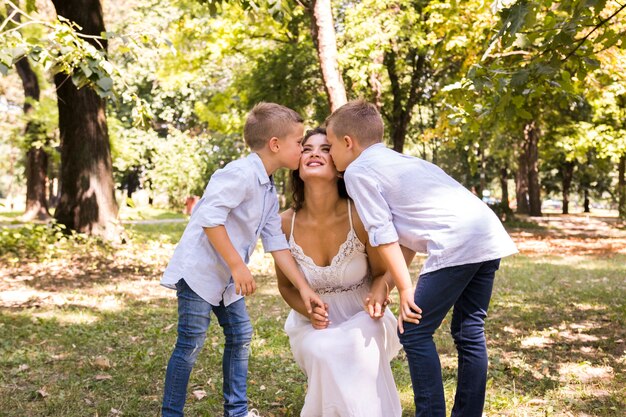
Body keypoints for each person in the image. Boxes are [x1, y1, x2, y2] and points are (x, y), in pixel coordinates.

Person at [324, 100, 518, 417]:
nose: (330, 154)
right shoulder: (404, 163)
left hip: (457, 242)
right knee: (469, 330)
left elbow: (384, 234)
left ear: (348, 143)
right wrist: (388, 283)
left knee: (413, 330)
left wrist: (406, 288)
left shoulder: (358, 170)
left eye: (330, 146)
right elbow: (408, 238)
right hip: (486, 233)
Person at [160, 103, 324, 417]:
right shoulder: (240, 174)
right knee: (190, 344)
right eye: (299, 142)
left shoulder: (268, 190)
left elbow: (277, 243)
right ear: (275, 145)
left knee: (240, 334)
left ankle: (236, 410)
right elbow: (209, 219)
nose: (303, 149)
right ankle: (171, 413)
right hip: (200, 274)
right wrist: (238, 266)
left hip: (227, 281)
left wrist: (303, 288)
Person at [276, 127, 404, 417]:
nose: (314, 154)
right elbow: (286, 287)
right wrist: (309, 312)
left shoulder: (358, 214)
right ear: (297, 165)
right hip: (314, 324)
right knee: (323, 349)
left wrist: (379, 295)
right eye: (307, 149)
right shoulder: (284, 224)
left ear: (339, 166)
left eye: (324, 149)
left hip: (363, 316)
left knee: (361, 344)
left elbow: (385, 274)